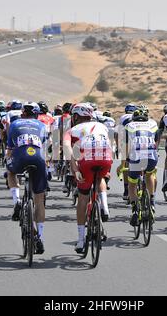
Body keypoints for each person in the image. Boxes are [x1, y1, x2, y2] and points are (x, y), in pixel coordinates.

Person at [64, 103, 113, 253]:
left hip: (87, 161)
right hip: (106, 157)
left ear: (76, 116)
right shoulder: (102, 126)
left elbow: (68, 149)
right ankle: (104, 207)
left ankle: (80, 240)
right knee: (100, 179)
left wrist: (74, 167)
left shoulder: (71, 130)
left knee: (83, 199)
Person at [7, 102, 47, 254]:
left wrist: (8, 163)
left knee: (10, 172)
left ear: (23, 113)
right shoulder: (42, 125)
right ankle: (40, 237)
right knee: (39, 200)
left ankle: (17, 200)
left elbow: (10, 150)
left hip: (20, 156)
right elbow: (46, 148)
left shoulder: (14, 123)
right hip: (38, 158)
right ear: (36, 114)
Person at [123, 106, 159, 226]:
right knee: (150, 175)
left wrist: (125, 162)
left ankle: (134, 210)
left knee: (132, 183)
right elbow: (156, 142)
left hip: (136, 156)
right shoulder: (153, 124)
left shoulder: (129, 125)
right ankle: (152, 202)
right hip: (151, 155)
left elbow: (126, 146)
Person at [115, 103, 137, 201]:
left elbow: (118, 132)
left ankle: (126, 189)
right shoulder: (139, 117)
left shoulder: (123, 117)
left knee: (125, 165)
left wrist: (118, 146)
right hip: (140, 141)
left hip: (127, 140)